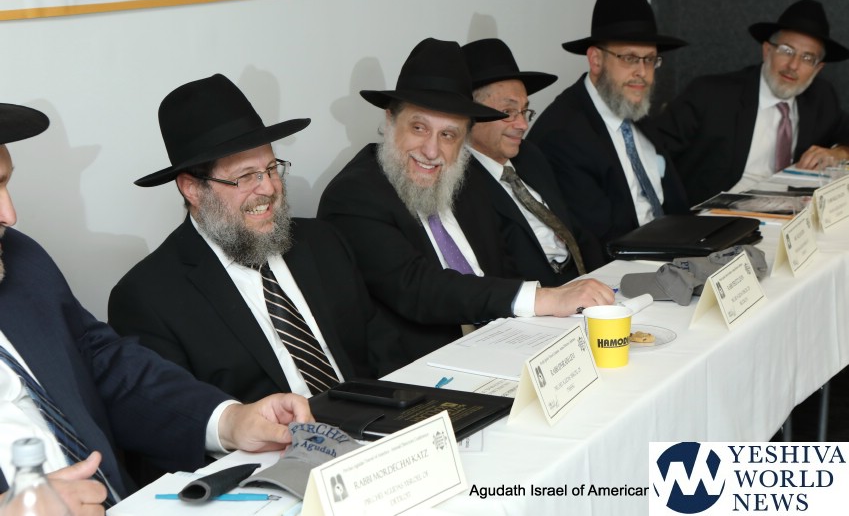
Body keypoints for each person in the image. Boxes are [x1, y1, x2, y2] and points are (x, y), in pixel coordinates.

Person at [0, 103, 312, 515]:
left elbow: (104, 364)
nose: (10, 215)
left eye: (5, 184)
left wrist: (229, 421)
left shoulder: (22, 261)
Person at [109, 74, 404, 405]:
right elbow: (176, 415)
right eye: (246, 176)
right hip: (277, 438)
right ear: (192, 189)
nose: (268, 188)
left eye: (272, 168)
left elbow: (383, 349)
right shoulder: (148, 299)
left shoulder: (323, 241)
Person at [317, 38, 614, 363]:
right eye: (419, 127)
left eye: (448, 135)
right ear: (390, 122)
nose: (432, 151)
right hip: (426, 366)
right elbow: (418, 289)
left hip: (506, 341)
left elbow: (501, 270)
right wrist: (542, 298)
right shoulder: (353, 195)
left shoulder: (464, 180)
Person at [526, 0, 689, 246]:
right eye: (629, 58)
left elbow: (675, 205)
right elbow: (604, 241)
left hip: (674, 243)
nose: (642, 72)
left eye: (649, 60)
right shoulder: (563, 136)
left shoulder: (632, 108)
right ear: (596, 60)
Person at [650, 0, 849, 205]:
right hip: (714, 212)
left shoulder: (821, 98)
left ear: (818, 68)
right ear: (767, 50)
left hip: (789, 211)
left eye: (807, 58)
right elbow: (651, 150)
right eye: (787, 51)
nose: (793, 65)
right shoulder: (710, 95)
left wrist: (839, 152)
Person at [461, 38, 606, 285]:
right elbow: (500, 273)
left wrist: (603, 279)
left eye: (524, 110)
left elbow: (575, 231)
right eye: (508, 113)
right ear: (470, 114)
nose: (523, 125)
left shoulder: (530, 156)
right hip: (537, 298)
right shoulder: (463, 184)